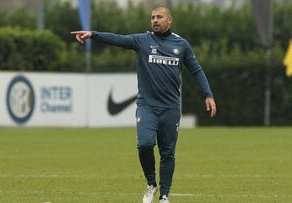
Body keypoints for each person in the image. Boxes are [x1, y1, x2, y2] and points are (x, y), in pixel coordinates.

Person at [71, 6, 216, 203]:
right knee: (145, 144)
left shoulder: (181, 45)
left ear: (169, 20)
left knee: (168, 152)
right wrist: (93, 34)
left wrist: (208, 94)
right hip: (147, 106)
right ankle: (151, 184)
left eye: (159, 17)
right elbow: (119, 39)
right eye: (153, 17)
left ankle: (164, 196)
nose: (155, 20)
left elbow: (197, 70)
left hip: (171, 108)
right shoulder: (143, 40)